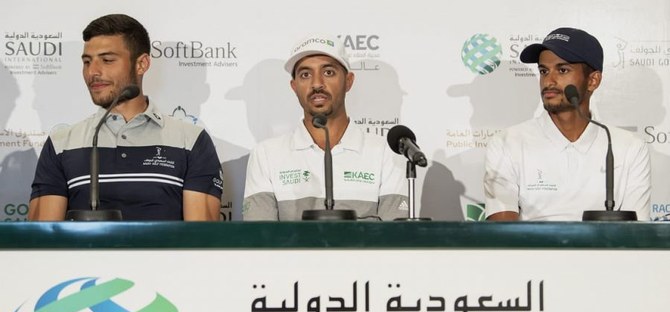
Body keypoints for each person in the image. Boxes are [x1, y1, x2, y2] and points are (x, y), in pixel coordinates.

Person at [29, 14, 223, 221]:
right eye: (87, 62)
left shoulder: (191, 140)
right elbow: (43, 235)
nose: (92, 71)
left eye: (107, 60)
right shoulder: (61, 143)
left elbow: (200, 236)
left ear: (141, 64)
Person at [484, 27, 650, 221]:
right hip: (529, 243)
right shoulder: (506, 142)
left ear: (593, 80)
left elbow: (636, 232)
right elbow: (502, 231)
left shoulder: (629, 147)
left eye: (562, 70)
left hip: (606, 243)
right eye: (544, 71)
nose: (549, 81)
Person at [242, 35, 408, 221]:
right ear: (294, 86)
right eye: (305, 75)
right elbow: (261, 234)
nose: (317, 84)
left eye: (328, 72)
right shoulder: (266, 154)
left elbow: (394, 233)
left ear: (348, 81)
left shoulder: (385, 153)